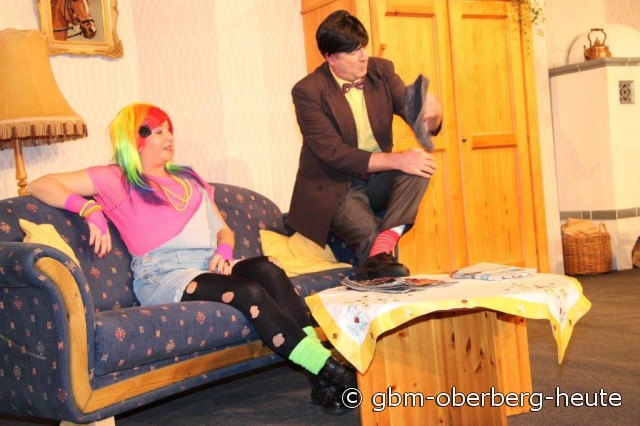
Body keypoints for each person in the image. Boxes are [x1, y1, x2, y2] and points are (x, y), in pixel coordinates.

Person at [27, 103, 356, 413]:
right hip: (164, 275)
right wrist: (89, 209)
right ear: (134, 140)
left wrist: (224, 252)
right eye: (158, 131)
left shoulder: (188, 179)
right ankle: (329, 369)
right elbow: (40, 185)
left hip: (208, 266)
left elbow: (224, 231)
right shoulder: (116, 178)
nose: (169, 137)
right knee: (247, 291)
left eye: (169, 130)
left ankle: (320, 376)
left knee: (268, 267)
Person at [287, 10, 443, 280]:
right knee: (375, 246)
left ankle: (387, 238)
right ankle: (380, 260)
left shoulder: (381, 71)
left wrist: (434, 113)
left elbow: (416, 116)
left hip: (376, 180)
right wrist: (397, 159)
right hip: (334, 186)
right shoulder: (308, 91)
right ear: (330, 58)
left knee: (420, 165)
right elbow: (334, 153)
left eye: (363, 47)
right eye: (353, 51)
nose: (363, 56)